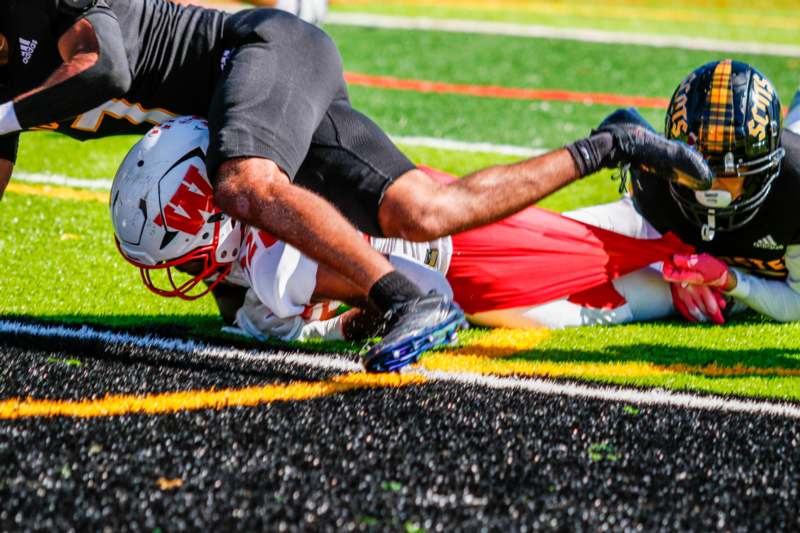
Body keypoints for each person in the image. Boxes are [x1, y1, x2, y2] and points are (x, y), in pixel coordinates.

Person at [0, 1, 710, 370]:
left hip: (257, 53)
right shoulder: (8, 77)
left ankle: (406, 300)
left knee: (243, 184)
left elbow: (107, 71)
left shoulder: (50, 13)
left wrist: (4, 113)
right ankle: (616, 140)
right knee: (424, 211)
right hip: (262, 102)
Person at [110, 117, 694, 350]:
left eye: (185, 259)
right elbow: (339, 318)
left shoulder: (267, 266)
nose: (186, 272)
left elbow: (417, 290)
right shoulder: (252, 223)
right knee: (600, 255)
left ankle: (612, 147)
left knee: (623, 271)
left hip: (461, 259)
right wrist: (350, 322)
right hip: (432, 239)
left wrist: (370, 308)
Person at [560, 60, 800, 324]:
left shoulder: (793, 183)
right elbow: (585, 233)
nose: (712, 184)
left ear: (761, 169)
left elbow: (796, 302)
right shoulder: (657, 181)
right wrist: (670, 270)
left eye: (729, 172)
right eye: (699, 166)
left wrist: (729, 280)